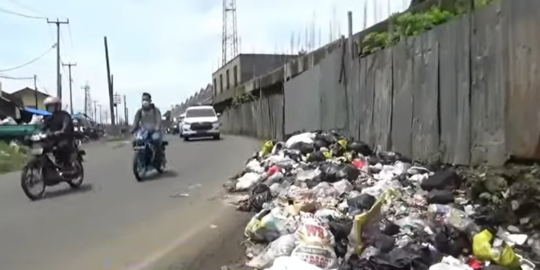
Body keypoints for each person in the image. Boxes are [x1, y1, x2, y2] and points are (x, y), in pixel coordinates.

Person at [42, 96, 75, 171]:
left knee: (61, 147)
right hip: (52, 138)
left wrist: (62, 131)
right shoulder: (47, 117)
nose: (51, 108)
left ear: (57, 106)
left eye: (52, 106)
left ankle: (67, 166)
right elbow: (43, 127)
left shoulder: (64, 115)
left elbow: (66, 125)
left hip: (64, 137)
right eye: (49, 106)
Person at [131, 93, 164, 161]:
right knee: (136, 141)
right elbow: (136, 122)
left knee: (156, 140)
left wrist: (157, 127)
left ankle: (158, 159)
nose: (145, 101)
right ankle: (141, 157)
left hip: (154, 131)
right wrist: (133, 129)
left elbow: (158, 119)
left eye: (146, 99)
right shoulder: (140, 112)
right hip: (144, 131)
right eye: (143, 100)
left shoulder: (155, 110)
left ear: (150, 100)